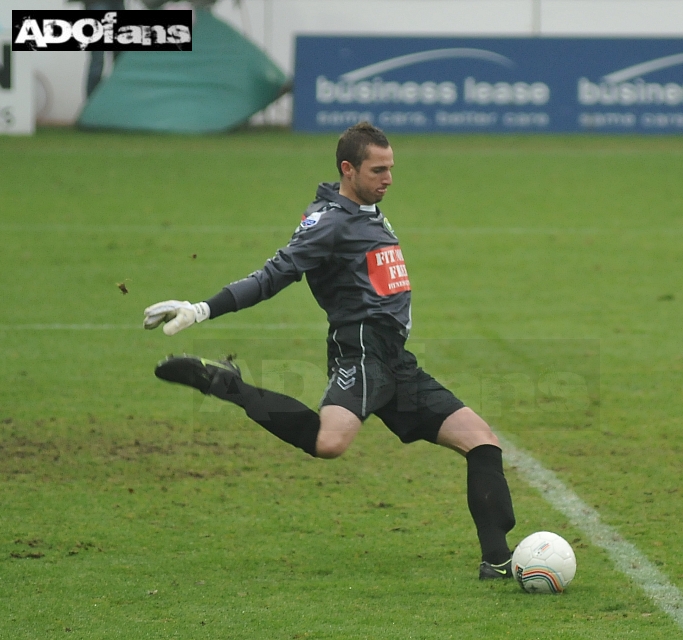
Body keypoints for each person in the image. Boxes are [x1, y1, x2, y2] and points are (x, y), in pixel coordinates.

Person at [143, 122, 517, 580]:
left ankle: (497, 562)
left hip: (395, 359)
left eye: (391, 168)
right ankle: (227, 384)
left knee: (481, 442)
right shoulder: (329, 222)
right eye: (378, 170)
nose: (389, 179)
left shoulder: (366, 210)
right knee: (328, 443)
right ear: (348, 169)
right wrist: (201, 309)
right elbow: (272, 276)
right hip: (359, 351)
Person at [78, 1, 126, 97]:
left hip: (115, 3)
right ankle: (92, 104)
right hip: (96, 3)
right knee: (98, 59)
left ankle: (117, 99)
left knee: (120, 59)